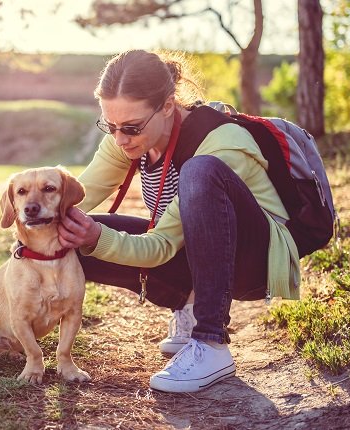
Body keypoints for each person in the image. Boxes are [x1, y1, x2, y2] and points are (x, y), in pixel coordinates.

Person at [57, 49, 300, 393]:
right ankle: (188, 304)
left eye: (130, 127)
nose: (119, 138)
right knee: (67, 234)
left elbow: (160, 246)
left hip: (253, 261)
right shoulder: (127, 139)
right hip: (193, 249)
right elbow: (73, 198)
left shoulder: (220, 144)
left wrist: (99, 237)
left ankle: (211, 342)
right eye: (110, 126)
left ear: (168, 106)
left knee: (198, 172)